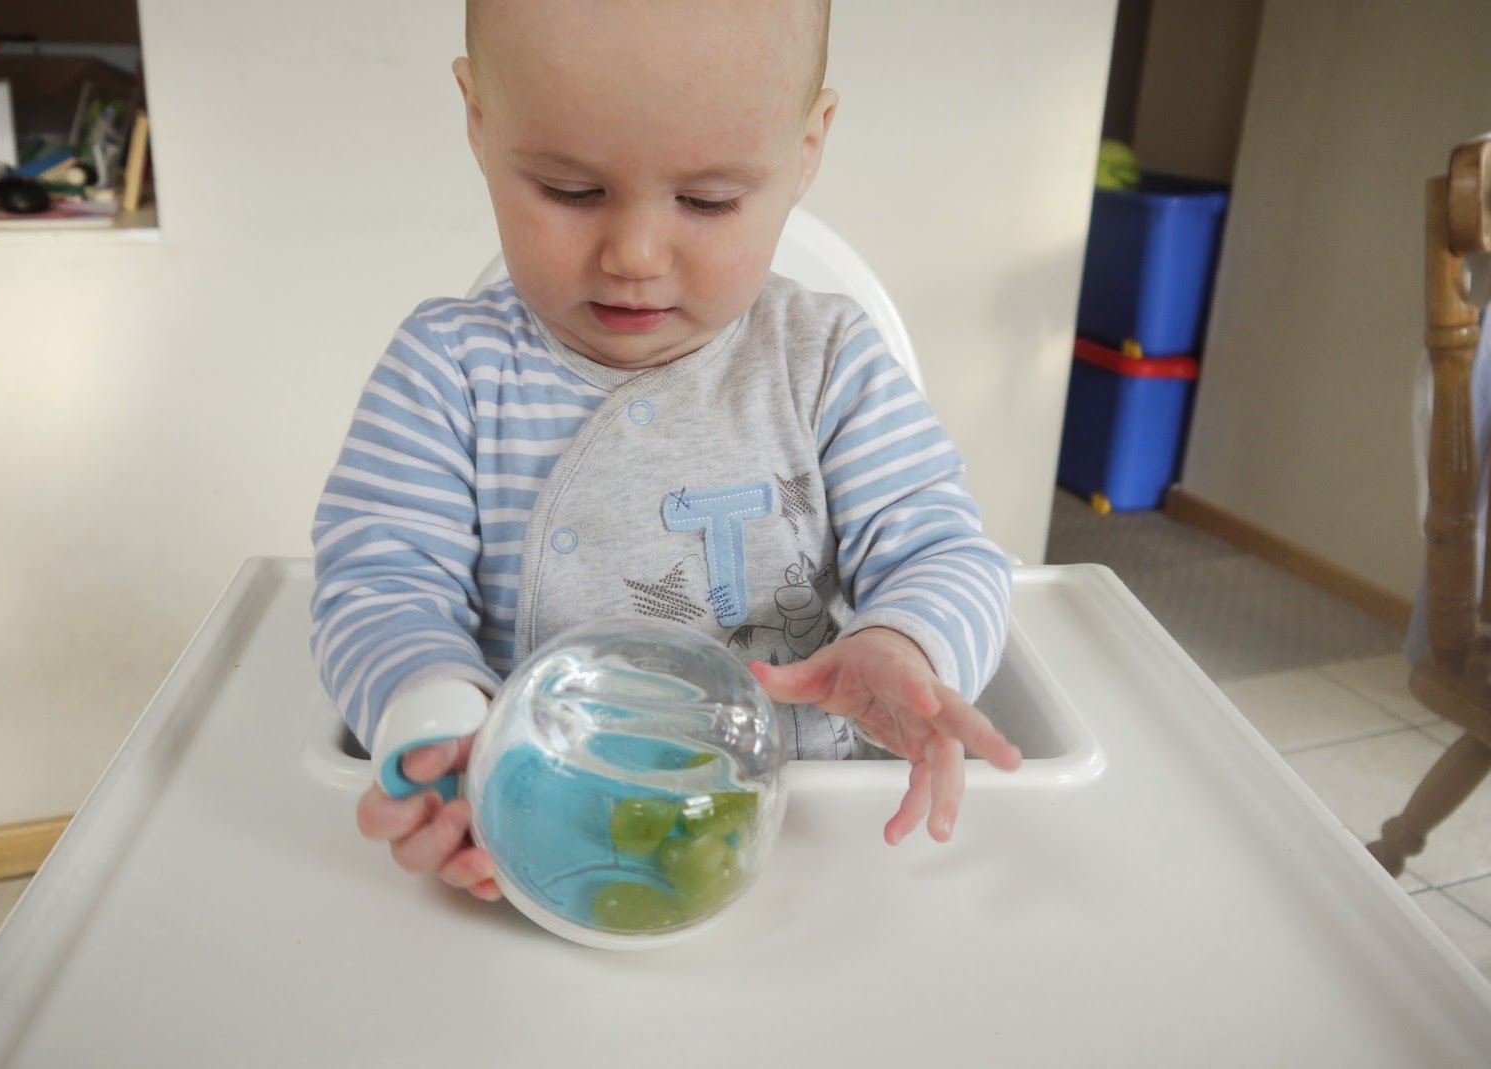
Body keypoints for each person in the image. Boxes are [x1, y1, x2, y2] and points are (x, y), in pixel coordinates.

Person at [310, 0, 1020, 903]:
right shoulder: (448, 372)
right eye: (570, 191)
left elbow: (948, 553)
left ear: (806, 148)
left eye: (707, 201)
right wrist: (437, 717)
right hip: (539, 842)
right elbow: (379, 583)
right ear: (480, 121)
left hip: (812, 849)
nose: (635, 255)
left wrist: (904, 644)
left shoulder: (827, 362)